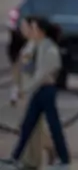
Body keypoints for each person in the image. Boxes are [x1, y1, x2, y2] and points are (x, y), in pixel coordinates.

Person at [0, 17, 70, 170]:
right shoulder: (37, 46)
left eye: (33, 28)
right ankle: (15, 157)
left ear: (40, 31)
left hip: (46, 91)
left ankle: (64, 159)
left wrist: (24, 89)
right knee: (27, 125)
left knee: (54, 125)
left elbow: (41, 74)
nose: (31, 31)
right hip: (39, 91)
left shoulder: (49, 48)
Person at [6, 34, 55, 170]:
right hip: (31, 93)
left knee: (30, 125)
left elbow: (21, 77)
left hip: (30, 94)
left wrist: (15, 95)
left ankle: (35, 156)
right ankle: (49, 147)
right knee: (34, 126)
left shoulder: (27, 53)